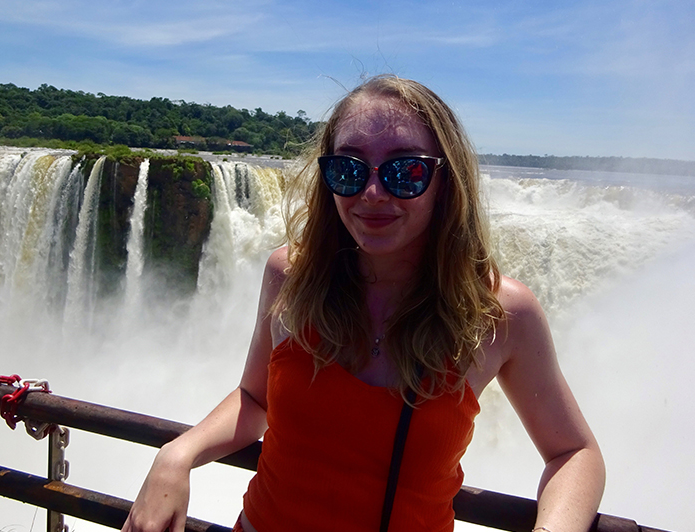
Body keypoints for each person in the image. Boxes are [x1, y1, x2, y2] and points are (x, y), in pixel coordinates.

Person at [122, 75, 605, 532]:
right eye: (349, 169)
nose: (373, 194)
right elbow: (255, 401)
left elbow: (574, 453)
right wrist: (177, 454)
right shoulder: (290, 276)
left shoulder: (498, 313)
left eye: (406, 171)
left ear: (444, 183)